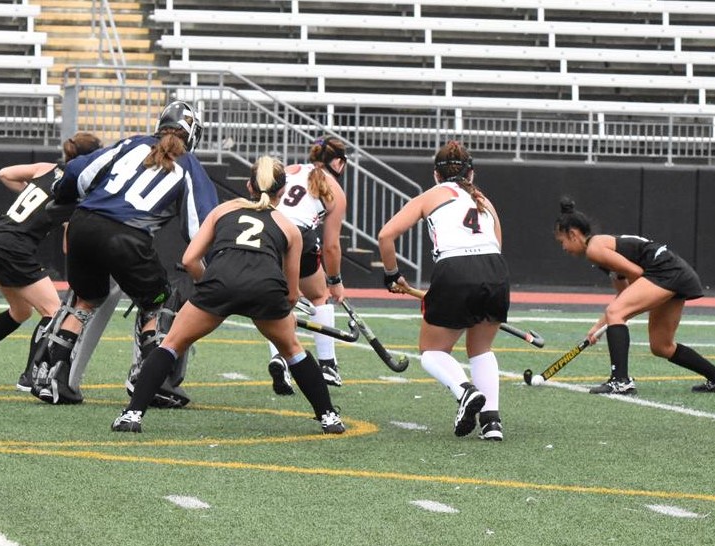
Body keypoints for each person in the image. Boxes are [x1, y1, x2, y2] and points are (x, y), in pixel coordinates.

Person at [111, 155, 345, 434]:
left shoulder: (223, 211)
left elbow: (189, 260)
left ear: (248, 186)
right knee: (293, 351)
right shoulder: (288, 227)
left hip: (219, 283)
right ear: (280, 193)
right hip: (266, 290)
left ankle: (132, 415)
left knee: (171, 344)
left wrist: (206, 286)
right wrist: (285, 312)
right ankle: (329, 417)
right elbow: (292, 292)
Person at [34, 100, 220, 405]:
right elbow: (201, 225)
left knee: (85, 299)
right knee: (158, 301)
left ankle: (52, 376)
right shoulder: (189, 165)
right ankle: (151, 382)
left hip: (83, 225)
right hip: (127, 237)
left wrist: (64, 195)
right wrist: (216, 266)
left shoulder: (131, 143)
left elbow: (78, 172)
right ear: (193, 134)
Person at [377, 140, 509, 441]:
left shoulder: (432, 195)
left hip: (455, 270)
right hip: (495, 272)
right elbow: (497, 245)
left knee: (431, 352)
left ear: (436, 174)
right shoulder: (484, 201)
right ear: (471, 174)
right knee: (481, 350)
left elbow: (386, 235)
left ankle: (464, 392)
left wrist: (392, 275)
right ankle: (492, 423)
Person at [0, 132, 103, 389]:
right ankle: (30, 376)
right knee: (53, 311)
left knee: (21, 311)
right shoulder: (75, 190)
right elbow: (68, 246)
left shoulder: (46, 168)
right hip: (13, 247)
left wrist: (32, 197)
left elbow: (4, 174)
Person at [553, 197, 715, 396]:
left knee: (616, 312)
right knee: (661, 346)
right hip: (677, 273)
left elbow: (636, 273)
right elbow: (624, 293)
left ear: (572, 234)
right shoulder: (601, 251)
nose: (563, 248)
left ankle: (620, 381)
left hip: (664, 272)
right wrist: (599, 327)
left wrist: (632, 308)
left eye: (561, 241)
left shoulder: (594, 248)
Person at [265, 136, 349, 395]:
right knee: (319, 295)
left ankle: (280, 357)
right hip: (300, 236)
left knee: (276, 299)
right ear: (338, 163)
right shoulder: (334, 189)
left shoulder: (290, 170)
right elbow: (332, 246)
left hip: (269, 231)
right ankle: (327, 365)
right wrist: (335, 281)